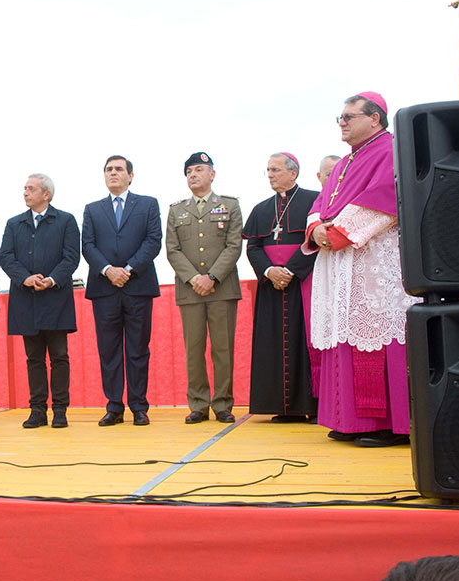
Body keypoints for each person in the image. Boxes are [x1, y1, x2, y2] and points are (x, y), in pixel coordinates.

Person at [304, 91, 418, 447]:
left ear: (375, 119)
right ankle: (351, 420)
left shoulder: (390, 150)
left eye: (349, 117)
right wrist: (316, 228)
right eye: (340, 117)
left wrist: (335, 233)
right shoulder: (343, 162)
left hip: (373, 263)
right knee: (345, 339)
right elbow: (320, 204)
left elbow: (385, 200)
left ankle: (386, 424)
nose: (342, 122)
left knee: (375, 340)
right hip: (342, 263)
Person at [81, 155, 162, 427]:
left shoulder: (148, 204)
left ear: (131, 175)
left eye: (118, 169)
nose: (113, 173)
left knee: (138, 349)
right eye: (108, 169)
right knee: (109, 350)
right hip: (105, 289)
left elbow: (153, 241)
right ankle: (114, 406)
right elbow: (88, 245)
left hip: (137, 286)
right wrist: (108, 270)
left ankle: (139, 406)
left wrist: (127, 269)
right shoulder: (92, 209)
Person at [165, 153, 242, 424]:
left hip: (221, 288)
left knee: (222, 348)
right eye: (189, 171)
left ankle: (222, 403)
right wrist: (194, 279)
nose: (193, 175)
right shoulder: (177, 210)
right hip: (190, 290)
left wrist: (211, 277)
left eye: (199, 169)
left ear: (212, 174)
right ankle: (198, 403)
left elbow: (234, 246)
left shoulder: (229, 205)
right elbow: (172, 250)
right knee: (194, 349)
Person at [243, 153, 320, 422]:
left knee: (305, 342)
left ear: (293, 173)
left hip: (303, 283)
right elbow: (252, 247)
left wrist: (291, 271)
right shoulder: (261, 209)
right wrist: (269, 271)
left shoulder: (313, 201)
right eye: (268, 170)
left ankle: (309, 405)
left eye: (275, 169)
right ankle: (283, 407)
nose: (270, 174)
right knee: (272, 342)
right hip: (270, 286)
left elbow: (315, 241)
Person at [0, 173, 80, 429]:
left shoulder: (65, 220)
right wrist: (25, 278)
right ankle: (37, 409)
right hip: (26, 299)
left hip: (55, 298)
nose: (25, 193)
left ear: (46, 194)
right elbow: (6, 257)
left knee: (59, 356)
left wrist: (53, 279)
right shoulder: (14, 224)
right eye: (24, 188)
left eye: (31, 189)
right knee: (33, 358)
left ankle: (60, 410)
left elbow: (71, 258)